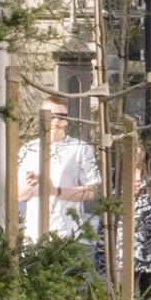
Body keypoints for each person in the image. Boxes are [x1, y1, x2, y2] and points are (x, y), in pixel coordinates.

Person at [39, 100, 101, 244]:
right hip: (33, 235)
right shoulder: (29, 149)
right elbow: (16, 193)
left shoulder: (79, 148)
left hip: (67, 233)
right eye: (50, 116)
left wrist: (57, 191)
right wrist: (29, 186)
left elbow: (93, 191)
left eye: (61, 116)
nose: (55, 120)